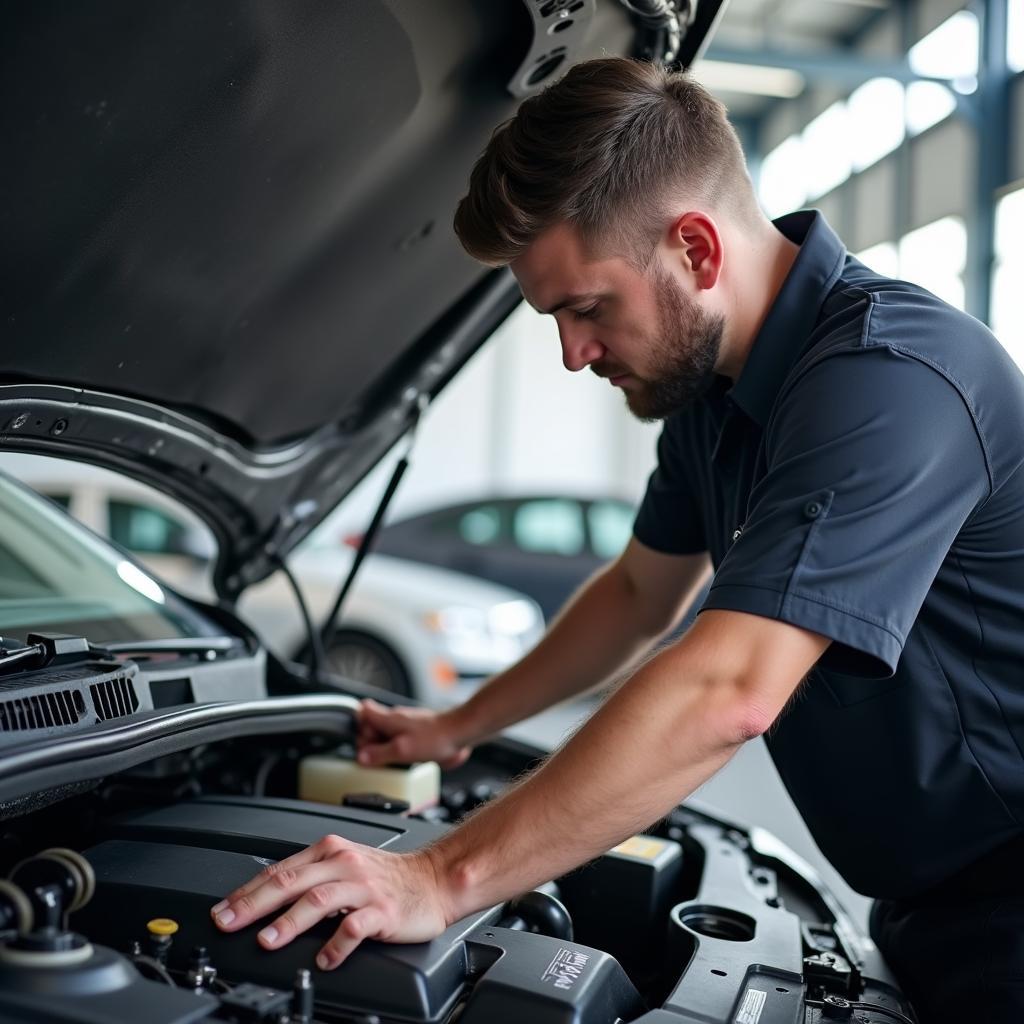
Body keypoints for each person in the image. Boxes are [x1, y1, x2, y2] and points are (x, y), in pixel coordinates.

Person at [211, 58, 1024, 1022]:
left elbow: (728, 690)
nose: (572, 353)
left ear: (696, 248)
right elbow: (639, 595)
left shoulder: (891, 383)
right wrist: (454, 729)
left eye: (585, 308)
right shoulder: (712, 399)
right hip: (927, 903)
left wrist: (439, 878)